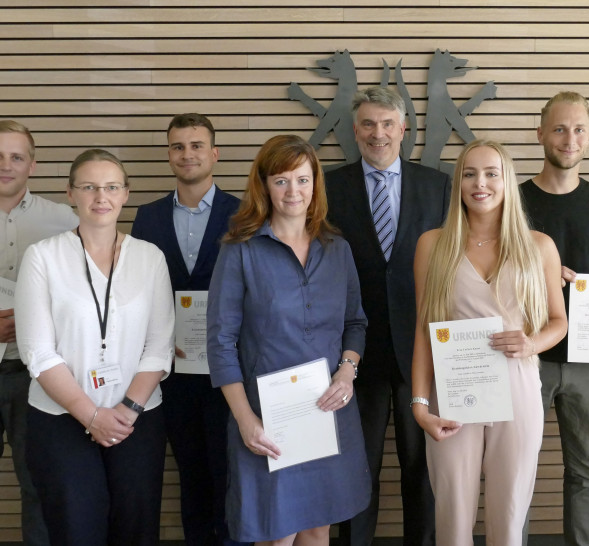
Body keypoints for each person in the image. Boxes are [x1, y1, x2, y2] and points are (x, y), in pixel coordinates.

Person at [206, 135, 371, 545]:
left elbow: (356, 324)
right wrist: (245, 421)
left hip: (327, 412)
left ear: (315, 183)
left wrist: (347, 373)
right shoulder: (240, 250)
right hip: (266, 419)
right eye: (281, 181)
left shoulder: (338, 249)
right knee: (276, 534)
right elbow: (220, 342)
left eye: (302, 179)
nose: (293, 191)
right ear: (263, 185)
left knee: (318, 529)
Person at [410, 140, 568, 546]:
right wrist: (419, 403)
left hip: (517, 387)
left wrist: (531, 344)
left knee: (509, 516)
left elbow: (558, 322)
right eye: (469, 173)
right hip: (454, 390)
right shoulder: (433, 244)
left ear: (506, 180)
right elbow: (425, 330)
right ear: (458, 182)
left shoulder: (539, 246)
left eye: (491, 173)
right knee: (452, 519)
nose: (480, 183)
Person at [15, 149, 175, 545]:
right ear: (71, 194)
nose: (100, 196)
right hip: (60, 418)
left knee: (136, 526)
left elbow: (159, 345)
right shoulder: (42, 257)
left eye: (110, 187)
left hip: (136, 418)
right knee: (75, 528)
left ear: (125, 194)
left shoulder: (149, 257)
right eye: (88, 187)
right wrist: (90, 416)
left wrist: (126, 410)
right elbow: (38, 352)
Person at [325, 86, 450, 546]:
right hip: (354, 354)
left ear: (403, 129)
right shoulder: (328, 186)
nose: (378, 133)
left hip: (424, 350)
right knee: (358, 468)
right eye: (368, 124)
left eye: (387, 124)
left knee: (423, 470)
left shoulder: (437, 185)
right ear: (355, 131)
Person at [518, 92, 589, 545]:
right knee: (516, 468)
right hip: (527, 355)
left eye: (579, 128)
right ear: (540, 133)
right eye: (560, 128)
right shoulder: (513, 199)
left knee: (587, 470)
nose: (570, 138)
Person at [131, 113, 243, 546]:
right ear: (169, 155)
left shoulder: (245, 212)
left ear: (214, 153)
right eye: (178, 146)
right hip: (170, 371)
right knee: (189, 471)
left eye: (196, 145)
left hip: (227, 369)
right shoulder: (148, 217)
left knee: (229, 470)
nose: (187, 154)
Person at [0, 120, 78, 546]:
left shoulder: (64, 221)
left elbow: (84, 293)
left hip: (38, 376)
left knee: (37, 486)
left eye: (16, 156)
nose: (6, 165)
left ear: (32, 164)